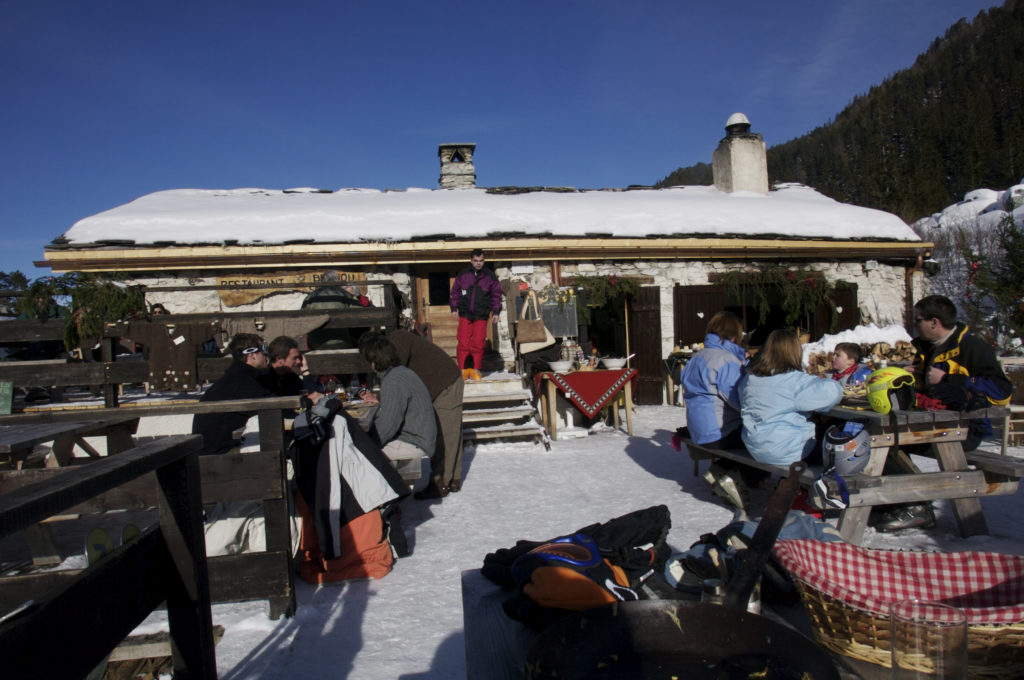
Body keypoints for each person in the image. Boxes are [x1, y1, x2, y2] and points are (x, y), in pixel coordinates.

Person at [870, 295, 1015, 532]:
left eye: (917, 321)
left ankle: (916, 506)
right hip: (929, 423)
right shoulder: (922, 346)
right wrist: (905, 375)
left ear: (934, 322)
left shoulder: (971, 347)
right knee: (875, 439)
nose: (914, 326)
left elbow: (1002, 391)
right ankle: (903, 502)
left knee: (884, 441)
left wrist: (949, 379)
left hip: (966, 430)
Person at [360, 329, 465, 498]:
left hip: (446, 381)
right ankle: (452, 478)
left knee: (447, 434)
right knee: (447, 433)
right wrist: (381, 395)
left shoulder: (397, 342)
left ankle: (443, 482)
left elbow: (395, 379)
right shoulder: (394, 347)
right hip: (434, 384)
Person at [737, 329, 843, 466]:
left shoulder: (750, 379)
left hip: (757, 448)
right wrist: (831, 382)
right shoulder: (795, 381)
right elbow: (831, 395)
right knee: (838, 430)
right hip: (791, 451)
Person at [360, 334, 437, 475]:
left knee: (360, 456)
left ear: (373, 362)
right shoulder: (402, 372)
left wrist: (364, 442)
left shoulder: (393, 380)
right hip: (421, 438)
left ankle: (379, 494)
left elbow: (387, 426)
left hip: (415, 443)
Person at [191, 333, 274, 455]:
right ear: (251, 355)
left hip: (214, 449)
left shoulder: (237, 376)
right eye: (263, 350)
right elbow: (270, 405)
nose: (266, 356)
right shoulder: (242, 380)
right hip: (218, 455)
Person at [681, 311, 746, 449]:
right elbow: (740, 401)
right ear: (735, 336)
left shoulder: (696, 358)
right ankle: (722, 470)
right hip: (720, 432)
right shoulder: (726, 361)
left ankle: (721, 469)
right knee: (762, 440)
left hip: (697, 430)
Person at [450, 249, 502, 380]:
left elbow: (496, 295)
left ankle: (476, 370)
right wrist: (454, 308)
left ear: (484, 261)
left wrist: (496, 312)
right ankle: (462, 369)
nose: (478, 263)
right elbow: (455, 292)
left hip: (481, 314)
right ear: (471, 260)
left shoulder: (490, 276)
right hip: (465, 314)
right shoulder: (463, 274)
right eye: (476, 261)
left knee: (478, 343)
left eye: (481, 261)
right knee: (463, 342)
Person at [260, 335, 324, 400]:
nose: (298, 361)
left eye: (298, 357)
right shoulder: (264, 379)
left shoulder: (290, 377)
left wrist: (305, 370)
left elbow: (313, 396)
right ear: (279, 359)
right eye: (294, 358)